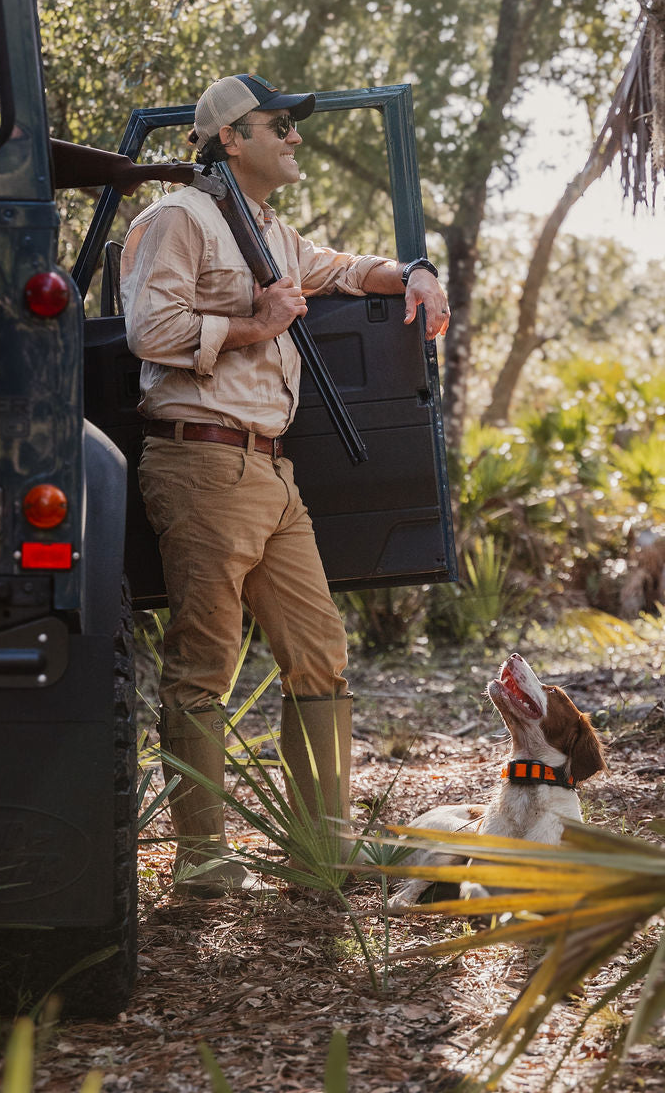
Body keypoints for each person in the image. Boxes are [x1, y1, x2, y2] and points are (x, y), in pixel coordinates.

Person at [121, 72, 449, 893]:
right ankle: (202, 863)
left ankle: (321, 846)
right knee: (206, 664)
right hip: (200, 460)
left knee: (320, 653)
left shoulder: (266, 227)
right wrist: (254, 326)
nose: (294, 137)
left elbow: (337, 270)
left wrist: (412, 269)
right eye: (279, 126)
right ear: (232, 138)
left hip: (270, 469)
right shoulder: (177, 218)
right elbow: (149, 329)